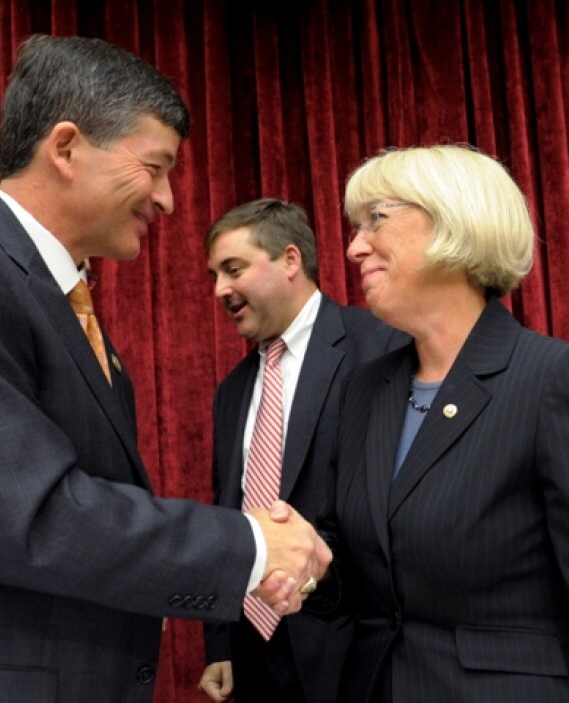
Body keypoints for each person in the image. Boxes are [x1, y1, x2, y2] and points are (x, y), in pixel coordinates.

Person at [0, 35, 331, 703]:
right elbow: (30, 518)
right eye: (155, 166)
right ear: (65, 147)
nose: (169, 200)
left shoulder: (73, 314)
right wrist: (249, 548)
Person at [332, 144, 569, 701]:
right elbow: (367, 573)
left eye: (376, 220)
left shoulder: (560, 382)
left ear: (454, 222)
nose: (354, 246)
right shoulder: (368, 389)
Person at [198, 199, 408, 702]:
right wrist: (220, 641)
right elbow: (229, 511)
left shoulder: (382, 348)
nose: (220, 290)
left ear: (291, 260)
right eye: (215, 275)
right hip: (254, 656)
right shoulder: (232, 390)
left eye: (234, 269)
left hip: (356, 651)